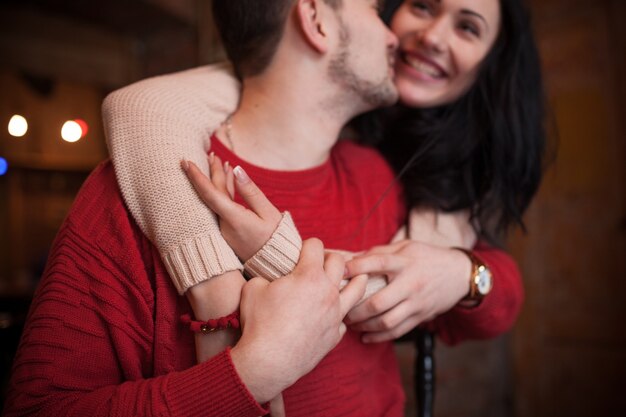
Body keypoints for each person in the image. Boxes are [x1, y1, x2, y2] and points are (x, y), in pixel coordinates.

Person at [4, 0, 409, 416]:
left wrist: (468, 276)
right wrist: (253, 373)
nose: (394, 35)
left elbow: (462, 311)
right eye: (375, 9)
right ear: (316, 18)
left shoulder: (377, 176)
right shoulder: (134, 190)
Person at [102, 0, 543, 349]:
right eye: (423, 6)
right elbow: (142, 109)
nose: (431, 36)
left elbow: (483, 291)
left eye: (468, 27)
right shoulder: (300, 78)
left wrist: (463, 272)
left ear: (490, 63)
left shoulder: (448, 168)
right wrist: (215, 283)